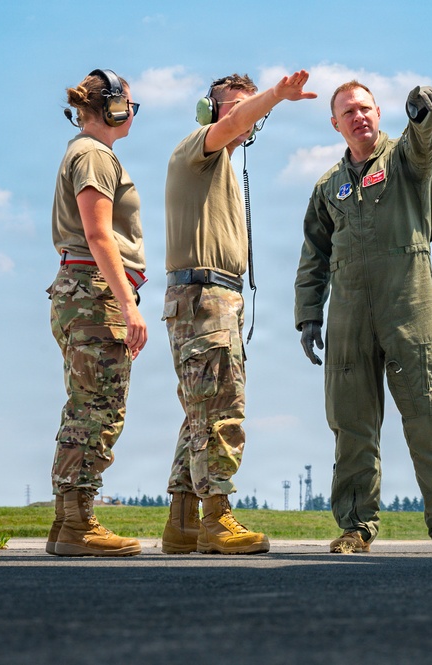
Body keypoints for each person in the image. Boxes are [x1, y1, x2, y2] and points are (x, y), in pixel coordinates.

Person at [295, 81, 432, 554]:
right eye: (347, 112)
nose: (358, 117)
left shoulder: (404, 163)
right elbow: (314, 255)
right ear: (334, 123)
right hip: (348, 316)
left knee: (428, 413)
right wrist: (308, 315)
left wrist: (425, 113)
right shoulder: (327, 187)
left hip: (409, 307)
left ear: (379, 112)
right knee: (351, 423)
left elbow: (426, 143)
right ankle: (355, 528)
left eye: (364, 108)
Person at [161, 70, 316, 555]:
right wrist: (274, 96)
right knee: (220, 412)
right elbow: (230, 126)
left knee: (199, 414)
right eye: (232, 107)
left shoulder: (222, 164)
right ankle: (216, 520)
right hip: (205, 297)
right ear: (209, 110)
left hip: (209, 297)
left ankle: (184, 523)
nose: (244, 118)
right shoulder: (199, 147)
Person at [46, 69, 147, 557]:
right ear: (110, 107)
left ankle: (67, 521)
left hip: (78, 290)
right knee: (100, 408)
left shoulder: (83, 152)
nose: (132, 111)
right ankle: (78, 522)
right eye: (130, 103)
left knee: (85, 405)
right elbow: (99, 233)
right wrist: (127, 304)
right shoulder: (94, 154)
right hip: (95, 291)